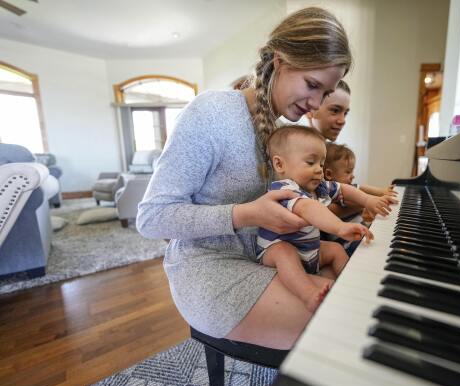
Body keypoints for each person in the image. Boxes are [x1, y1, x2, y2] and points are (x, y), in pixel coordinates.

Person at [137, 7, 353, 350]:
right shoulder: (211, 113)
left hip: (266, 256)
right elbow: (151, 219)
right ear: (280, 62)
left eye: (325, 94)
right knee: (336, 325)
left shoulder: (282, 134)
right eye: (312, 85)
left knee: (348, 299)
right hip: (210, 268)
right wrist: (246, 214)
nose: (315, 104)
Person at [256, 125, 390, 312]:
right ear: (280, 165)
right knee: (283, 252)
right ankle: (308, 293)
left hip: (309, 250)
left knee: (335, 249)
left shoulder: (318, 186)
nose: (319, 170)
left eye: (321, 163)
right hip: (276, 251)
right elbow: (308, 208)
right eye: (311, 163)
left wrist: (368, 200)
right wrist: (340, 227)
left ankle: (352, 284)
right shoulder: (284, 188)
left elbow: (343, 189)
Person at [323, 142, 396, 254]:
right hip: (346, 242)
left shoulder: (346, 188)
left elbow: (361, 188)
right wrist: (378, 195)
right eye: (348, 172)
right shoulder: (327, 195)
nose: (352, 176)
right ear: (329, 174)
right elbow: (361, 189)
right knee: (376, 250)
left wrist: (381, 192)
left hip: (360, 231)